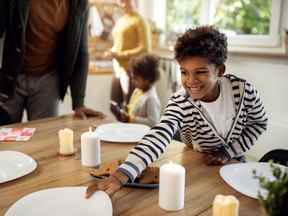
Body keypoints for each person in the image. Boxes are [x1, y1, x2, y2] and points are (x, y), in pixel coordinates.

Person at [86, 26, 268, 198]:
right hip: (198, 164)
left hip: (235, 165)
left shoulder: (242, 91)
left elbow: (259, 123)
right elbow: (160, 133)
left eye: (200, 72)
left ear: (220, 70)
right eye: (184, 72)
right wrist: (123, 174)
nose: (191, 81)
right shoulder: (181, 101)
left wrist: (228, 152)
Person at [0, 0, 103, 126]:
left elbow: (81, 52)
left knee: (44, 136)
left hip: (47, 80)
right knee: (4, 135)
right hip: (10, 78)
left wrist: (79, 102)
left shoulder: (79, 3)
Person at [106, 0, 151, 113]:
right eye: (121, 1)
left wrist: (120, 54)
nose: (124, 3)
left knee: (129, 108)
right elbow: (118, 43)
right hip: (118, 68)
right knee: (114, 105)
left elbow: (145, 48)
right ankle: (120, 129)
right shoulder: (121, 20)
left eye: (127, 1)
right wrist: (111, 52)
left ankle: (128, 129)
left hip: (132, 70)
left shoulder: (140, 21)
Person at [111, 54, 161, 127]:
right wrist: (124, 113)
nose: (133, 81)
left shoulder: (151, 98)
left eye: (136, 79)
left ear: (147, 79)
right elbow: (133, 110)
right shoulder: (137, 91)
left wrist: (130, 119)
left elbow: (153, 122)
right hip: (132, 129)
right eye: (132, 78)